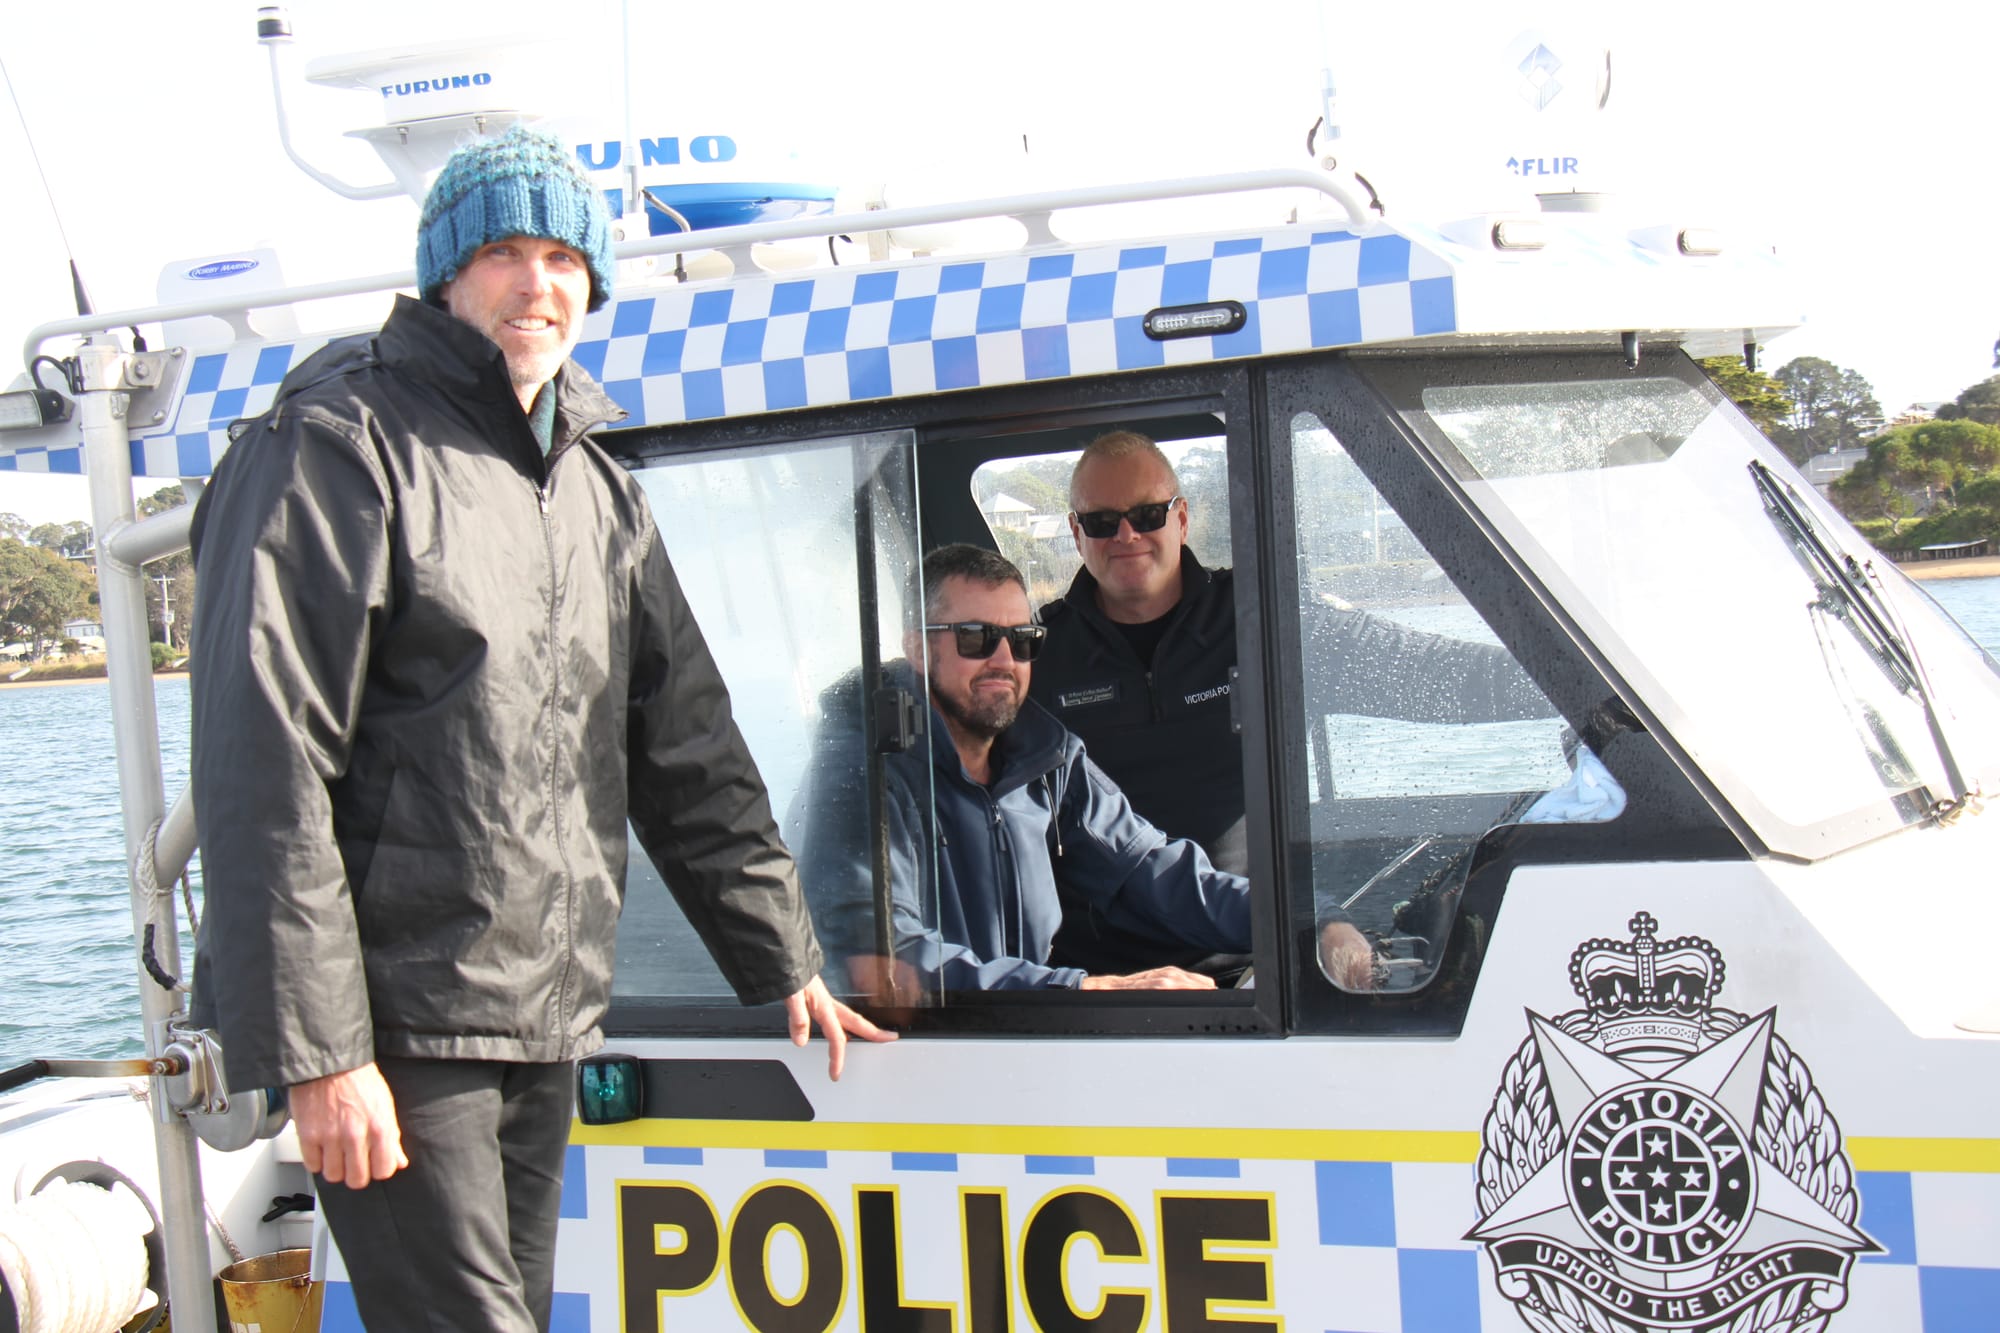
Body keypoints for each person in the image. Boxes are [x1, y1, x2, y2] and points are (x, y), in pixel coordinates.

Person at [188, 125, 889, 1332]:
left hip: (544, 1008)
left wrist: (787, 959)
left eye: (565, 257)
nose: (538, 284)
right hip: (395, 1024)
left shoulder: (594, 489)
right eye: (505, 252)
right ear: (446, 274)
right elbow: (266, 769)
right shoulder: (335, 449)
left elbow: (687, 751)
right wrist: (317, 1052)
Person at [1029, 430, 1557, 986]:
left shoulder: (1263, 622)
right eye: (1102, 522)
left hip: (1257, 953)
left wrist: (1570, 688)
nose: (1127, 535)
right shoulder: (1036, 662)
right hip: (1106, 979)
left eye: (1148, 514)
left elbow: (1427, 670)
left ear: (1181, 518)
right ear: (1076, 533)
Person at [868, 544, 1264, 990]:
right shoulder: (869, 775)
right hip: (925, 1051)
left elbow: (1148, 870)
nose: (1004, 661)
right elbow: (884, 955)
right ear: (917, 649)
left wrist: (1298, 922)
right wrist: (1085, 991)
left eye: (1022, 640)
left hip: (1026, 1038)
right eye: (976, 637)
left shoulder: (1045, 760)